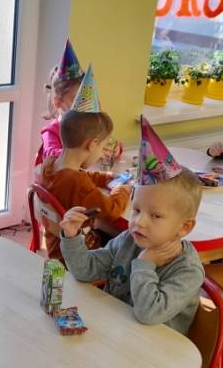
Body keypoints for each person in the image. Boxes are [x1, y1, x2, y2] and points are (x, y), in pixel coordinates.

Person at [59, 117, 204, 334]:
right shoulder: (128, 240)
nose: (139, 221)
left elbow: (148, 314)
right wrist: (72, 237)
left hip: (155, 349)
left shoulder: (187, 270)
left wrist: (145, 265)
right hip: (116, 332)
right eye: (136, 210)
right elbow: (84, 270)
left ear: (184, 228)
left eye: (155, 216)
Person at [39, 65, 132, 259]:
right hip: (77, 255)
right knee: (130, 246)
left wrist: (105, 177)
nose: (100, 154)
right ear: (92, 144)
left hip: (55, 247)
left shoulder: (51, 164)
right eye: (101, 147)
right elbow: (112, 210)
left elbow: (79, 174)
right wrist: (123, 189)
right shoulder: (79, 184)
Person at [37, 39, 84, 168]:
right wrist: (81, 153)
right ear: (58, 102)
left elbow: (100, 141)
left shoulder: (85, 127)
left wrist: (111, 148)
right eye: (76, 100)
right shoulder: (51, 132)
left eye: (84, 99)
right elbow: (51, 155)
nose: (82, 105)